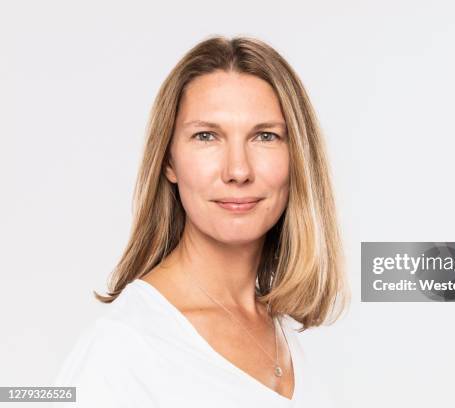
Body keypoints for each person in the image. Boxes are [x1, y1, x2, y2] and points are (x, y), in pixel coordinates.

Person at [52, 35, 351, 407]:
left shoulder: (287, 329)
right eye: (206, 136)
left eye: (265, 136)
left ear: (299, 159)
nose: (238, 170)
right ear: (169, 161)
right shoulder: (122, 348)